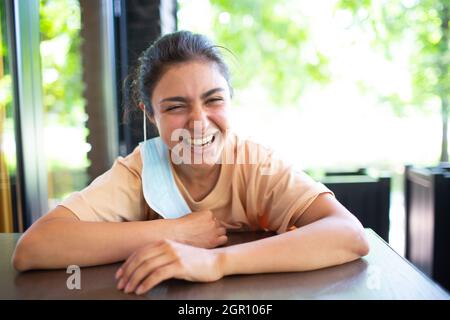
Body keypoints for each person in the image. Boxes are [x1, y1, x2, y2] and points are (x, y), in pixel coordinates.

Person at [12, 31, 369, 295]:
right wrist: (175, 231)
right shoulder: (139, 171)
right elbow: (35, 248)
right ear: (150, 115)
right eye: (175, 106)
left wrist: (216, 262)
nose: (199, 122)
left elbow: (349, 236)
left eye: (213, 100)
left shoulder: (256, 164)